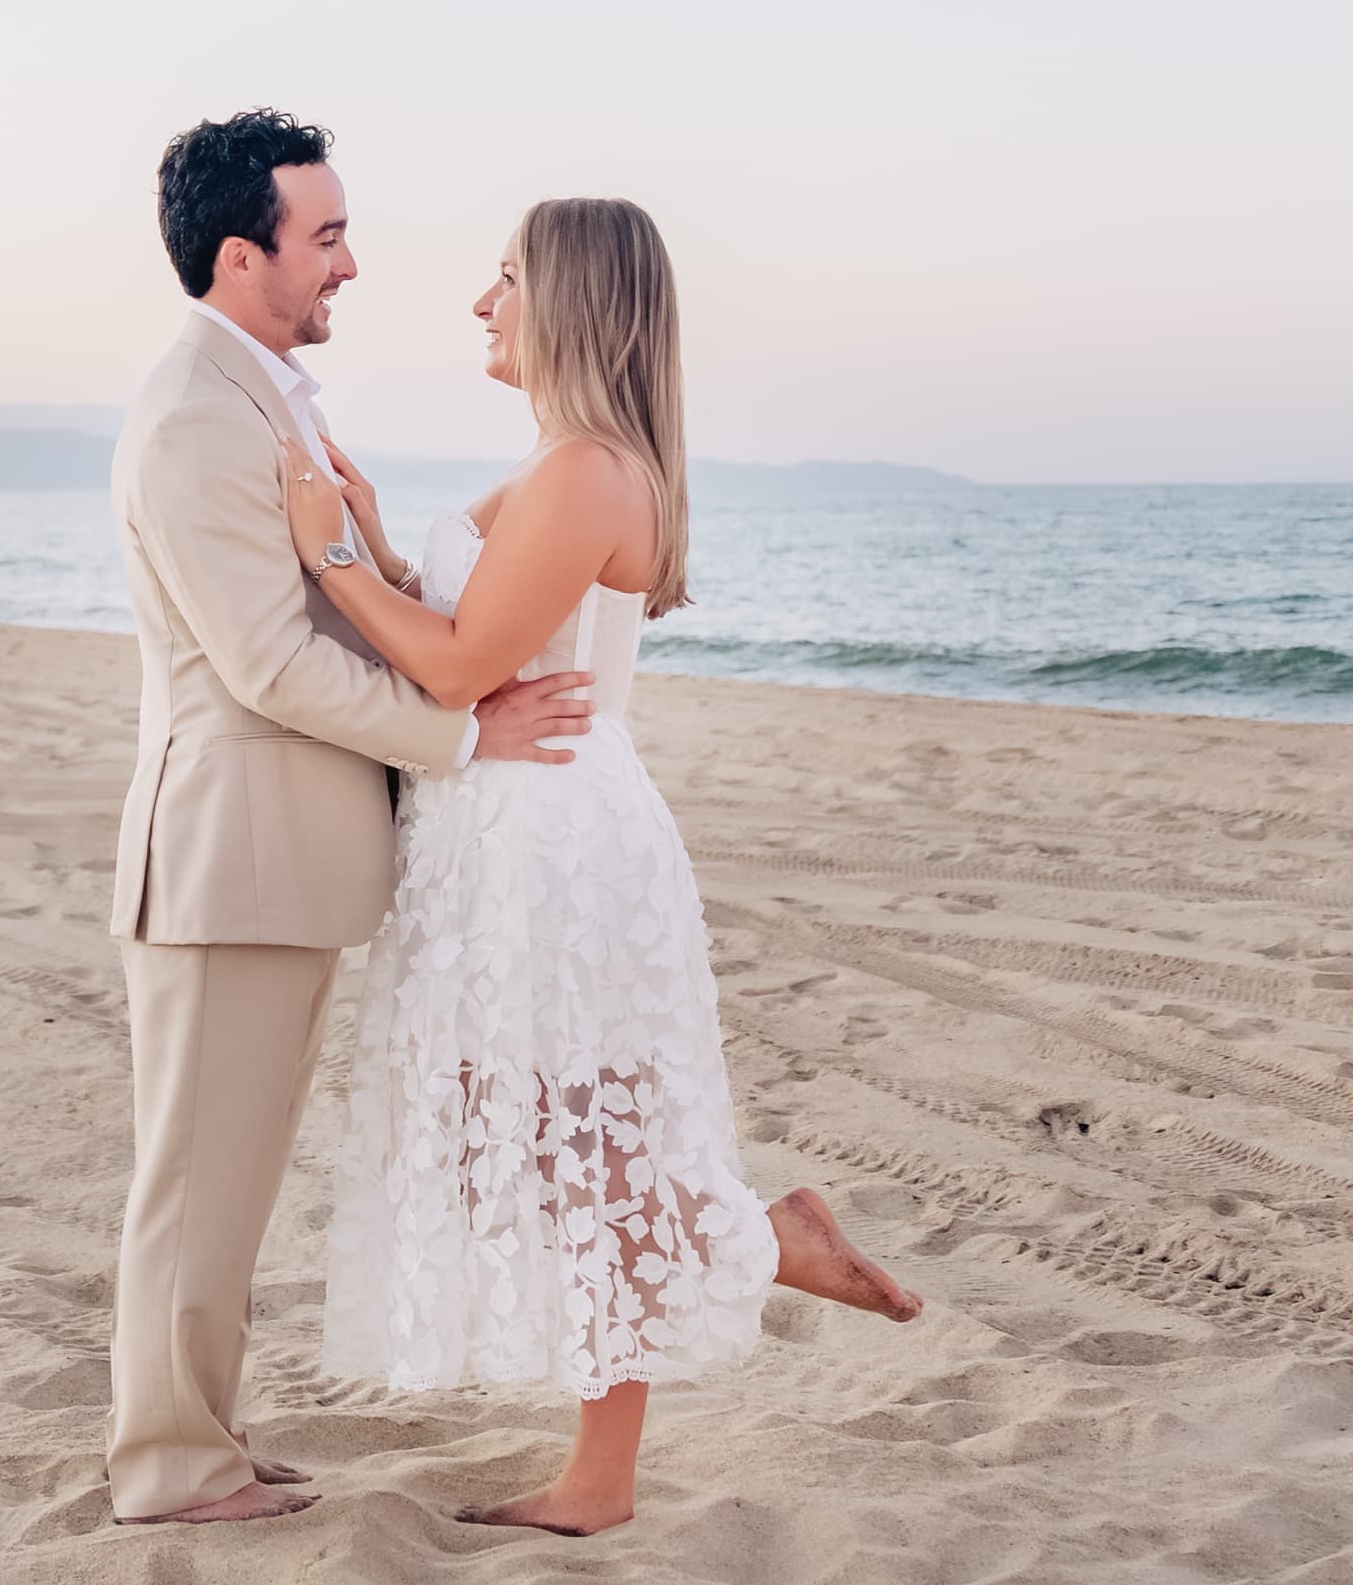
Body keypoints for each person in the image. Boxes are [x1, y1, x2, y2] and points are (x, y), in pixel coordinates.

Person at [284, 196, 923, 1539]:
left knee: (585, 1142)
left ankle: (611, 1467)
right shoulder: (558, 466)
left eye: (503, 277)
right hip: (498, 825)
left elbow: (456, 668)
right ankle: (763, 1242)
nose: (481, 303)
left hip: (553, 840)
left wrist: (333, 558)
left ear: (570, 298)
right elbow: (472, 630)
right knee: (533, 1131)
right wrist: (384, 541)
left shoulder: (586, 473)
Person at [103, 110, 597, 1527]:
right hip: (225, 868)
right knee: (195, 1183)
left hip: (278, 868)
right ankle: (171, 1469)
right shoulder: (200, 414)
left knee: (227, 1179)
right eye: (325, 237)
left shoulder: (265, 396)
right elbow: (267, 660)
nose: (352, 265)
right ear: (241, 252)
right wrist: (459, 733)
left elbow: (335, 595)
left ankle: (206, 1439)